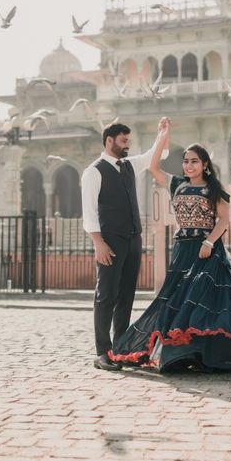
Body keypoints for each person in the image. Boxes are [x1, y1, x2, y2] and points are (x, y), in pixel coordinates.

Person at [109, 120, 231, 372]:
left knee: (205, 300)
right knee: (177, 299)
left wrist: (209, 241)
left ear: (204, 164)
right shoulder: (176, 184)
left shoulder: (214, 188)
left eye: (194, 161)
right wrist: (163, 135)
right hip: (183, 249)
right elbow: (152, 166)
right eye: (185, 161)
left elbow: (224, 220)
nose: (188, 165)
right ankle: (181, 355)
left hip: (207, 250)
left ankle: (212, 356)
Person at [81, 118, 169, 371]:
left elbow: (158, 153)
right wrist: (98, 243)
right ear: (109, 141)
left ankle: (120, 348)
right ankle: (102, 352)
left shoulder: (129, 165)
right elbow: (89, 211)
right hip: (109, 239)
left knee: (126, 294)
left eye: (128, 141)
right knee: (106, 295)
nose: (127, 145)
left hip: (133, 238)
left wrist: (164, 131)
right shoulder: (94, 171)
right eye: (123, 141)